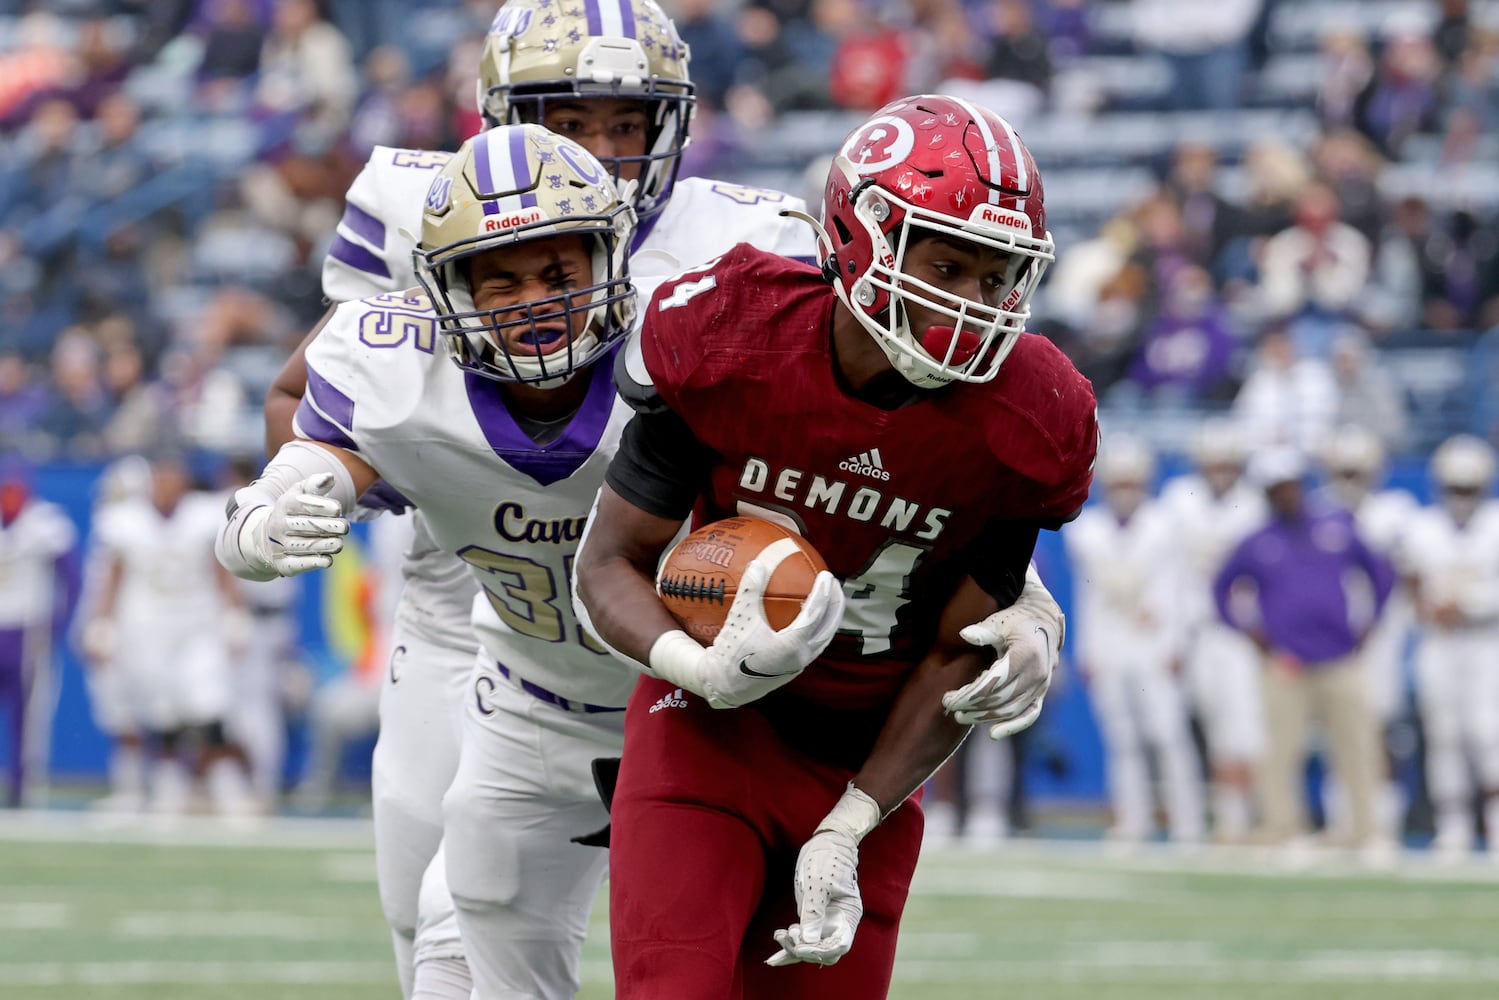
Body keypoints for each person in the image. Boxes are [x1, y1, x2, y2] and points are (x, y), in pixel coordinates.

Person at [256, 1, 845, 994]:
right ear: (496, 117)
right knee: (435, 927)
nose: (602, 151)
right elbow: (306, 394)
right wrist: (317, 488)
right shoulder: (427, 206)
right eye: (568, 122)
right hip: (481, 594)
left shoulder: (745, 239)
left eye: (626, 123)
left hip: (673, 591)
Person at [573, 94, 1096, 998]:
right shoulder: (735, 330)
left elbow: (950, 650)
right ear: (860, 239)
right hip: (704, 729)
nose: (969, 302)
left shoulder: (1030, 414)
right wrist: (689, 668)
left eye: (995, 273)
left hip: (872, 756)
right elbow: (608, 561)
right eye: (947, 262)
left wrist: (852, 822)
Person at [1214, 447, 1393, 853]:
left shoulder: (1336, 526)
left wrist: (1370, 624)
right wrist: (1251, 632)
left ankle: (1366, 831)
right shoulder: (1258, 541)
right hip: (1286, 661)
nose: (1287, 494)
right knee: (1280, 750)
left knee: (1357, 748)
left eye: (1292, 485)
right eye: (1278, 488)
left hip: (1339, 656)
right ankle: (1281, 827)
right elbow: (1221, 588)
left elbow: (1380, 573)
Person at [85, 453, 256, 817]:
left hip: (198, 624)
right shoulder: (125, 521)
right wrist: (102, 622)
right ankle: (169, 785)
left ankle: (226, 786)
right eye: (161, 477)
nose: (166, 485)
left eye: (173, 476)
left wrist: (234, 612)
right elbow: (113, 573)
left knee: (210, 703)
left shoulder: (203, 515)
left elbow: (221, 566)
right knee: (162, 710)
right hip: (146, 627)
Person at [1066, 435, 1203, 845]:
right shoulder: (1088, 529)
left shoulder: (1164, 525)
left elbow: (1178, 587)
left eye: (1132, 482)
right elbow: (1087, 594)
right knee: (1122, 738)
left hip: (1153, 642)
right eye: (1119, 483)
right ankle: (1132, 820)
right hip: (1110, 643)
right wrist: (1088, 650)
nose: (1125, 491)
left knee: (1167, 734)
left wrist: (1176, 643)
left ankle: (1187, 823)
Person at [1158, 419, 1266, 842]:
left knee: (1247, 726)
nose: (1220, 471)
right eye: (1213, 463)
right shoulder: (1179, 501)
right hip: (1198, 630)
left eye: (1227, 463)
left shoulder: (1254, 504)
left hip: (1241, 631)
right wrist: (1175, 637)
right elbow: (1171, 576)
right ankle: (1230, 817)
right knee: (1215, 725)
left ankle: (1252, 817)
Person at [1398, 435, 1499, 858]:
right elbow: (1409, 581)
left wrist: (1469, 606)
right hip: (1439, 642)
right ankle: (1452, 829)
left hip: (1486, 640)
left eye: (1468, 488)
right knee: (1444, 736)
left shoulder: (1496, 523)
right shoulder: (1422, 526)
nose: (1462, 497)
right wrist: (1426, 608)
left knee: (1489, 734)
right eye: (1455, 488)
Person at [1319, 424, 1417, 840]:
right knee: (1333, 732)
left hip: (1382, 638)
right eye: (1343, 472)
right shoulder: (1318, 512)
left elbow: (1413, 576)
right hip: (1334, 639)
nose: (1349, 482)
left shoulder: (1395, 512)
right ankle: (1343, 822)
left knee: (1381, 730)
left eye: (1356, 473)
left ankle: (1381, 823)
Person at [0, 462, 78, 808]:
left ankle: (23, 785)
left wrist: (57, 624)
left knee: (30, 716)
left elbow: (71, 579)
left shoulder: (45, 523)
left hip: (27, 630)